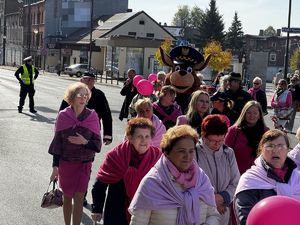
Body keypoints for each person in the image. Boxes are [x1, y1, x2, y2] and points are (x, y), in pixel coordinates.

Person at [129, 125, 219, 225]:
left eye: (191, 151)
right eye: (181, 151)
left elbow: (213, 215)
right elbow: (138, 222)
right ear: (167, 153)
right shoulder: (152, 182)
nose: (188, 156)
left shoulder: (202, 179)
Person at [48, 82, 102, 225]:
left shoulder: (93, 116)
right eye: (80, 95)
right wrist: (55, 167)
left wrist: (84, 142)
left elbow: (97, 145)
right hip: (66, 164)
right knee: (67, 197)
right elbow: (57, 143)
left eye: (86, 95)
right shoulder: (63, 115)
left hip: (84, 164)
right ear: (72, 97)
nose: (83, 98)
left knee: (79, 198)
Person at [91, 118, 161, 225]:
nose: (144, 141)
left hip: (146, 212)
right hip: (116, 211)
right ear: (130, 137)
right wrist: (97, 208)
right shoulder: (115, 156)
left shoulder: (158, 158)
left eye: (147, 136)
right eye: (139, 136)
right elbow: (100, 183)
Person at [234, 129, 300, 225]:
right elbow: (246, 218)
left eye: (281, 146)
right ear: (261, 149)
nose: (275, 150)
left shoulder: (297, 178)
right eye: (270, 146)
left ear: (287, 150)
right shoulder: (249, 180)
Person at [196, 115, 240, 225]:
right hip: (201, 212)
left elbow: (236, 182)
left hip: (223, 210)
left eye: (221, 140)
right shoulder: (194, 153)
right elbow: (191, 184)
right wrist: (213, 201)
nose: (217, 144)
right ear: (203, 136)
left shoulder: (228, 153)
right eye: (213, 141)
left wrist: (223, 197)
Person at [60, 72, 113, 145]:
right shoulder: (72, 92)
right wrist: (59, 130)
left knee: (88, 153)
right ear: (81, 80)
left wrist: (107, 135)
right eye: (86, 79)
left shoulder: (99, 94)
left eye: (91, 80)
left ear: (94, 82)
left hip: (91, 130)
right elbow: (62, 112)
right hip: (71, 129)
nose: (89, 82)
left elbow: (106, 115)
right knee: (69, 152)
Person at [225, 101, 269, 174]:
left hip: (258, 176)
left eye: (255, 113)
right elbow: (225, 153)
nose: (251, 115)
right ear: (244, 114)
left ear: (259, 115)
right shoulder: (233, 131)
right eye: (248, 112)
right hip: (236, 175)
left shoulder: (266, 132)